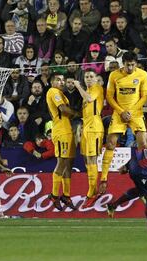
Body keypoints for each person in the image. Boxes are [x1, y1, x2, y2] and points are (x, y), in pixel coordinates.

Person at [100, 51, 147, 195]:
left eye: (133, 65)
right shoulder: (114, 75)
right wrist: (121, 111)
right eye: (128, 65)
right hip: (119, 112)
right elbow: (109, 96)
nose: (130, 68)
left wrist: (131, 111)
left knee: (143, 144)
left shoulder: (142, 74)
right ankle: (103, 178)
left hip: (136, 112)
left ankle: (141, 173)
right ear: (123, 63)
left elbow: (144, 95)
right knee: (110, 143)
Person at [46, 72, 79, 211]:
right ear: (52, 82)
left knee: (68, 164)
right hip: (61, 132)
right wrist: (79, 113)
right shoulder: (53, 92)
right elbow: (63, 109)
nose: (62, 82)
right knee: (62, 163)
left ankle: (66, 195)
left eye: (63, 80)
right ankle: (54, 195)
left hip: (68, 130)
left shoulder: (62, 94)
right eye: (58, 80)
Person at [73, 69, 104, 207]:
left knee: (92, 158)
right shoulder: (88, 91)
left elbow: (90, 99)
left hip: (94, 128)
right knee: (86, 158)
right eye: (86, 77)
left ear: (96, 79)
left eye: (91, 76)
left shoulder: (97, 88)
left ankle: (92, 192)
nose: (89, 79)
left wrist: (78, 86)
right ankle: (93, 187)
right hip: (86, 128)